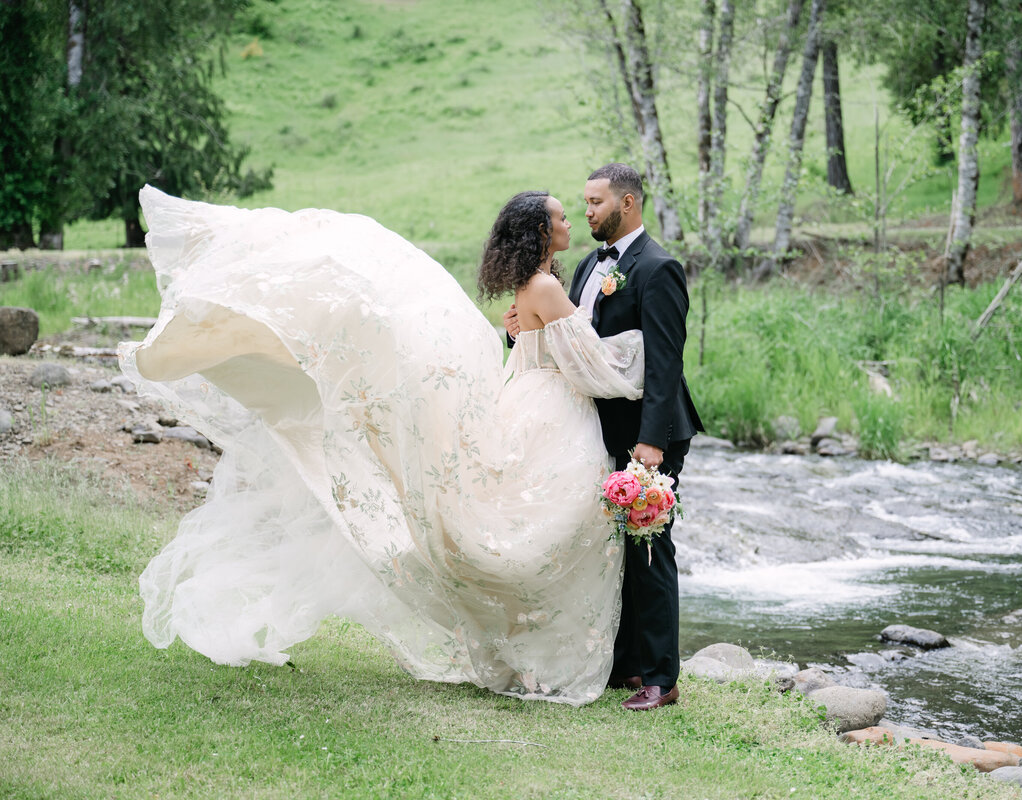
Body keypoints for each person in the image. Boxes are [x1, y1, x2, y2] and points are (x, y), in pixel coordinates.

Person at [121, 185, 647, 706]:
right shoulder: (547, 288)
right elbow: (590, 365)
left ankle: (530, 653)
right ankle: (554, 656)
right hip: (551, 412)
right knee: (561, 524)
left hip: (530, 401)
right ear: (540, 231)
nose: (570, 223)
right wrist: (642, 354)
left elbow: (537, 345)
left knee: (552, 525)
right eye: (561, 217)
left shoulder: (533, 285)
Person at [504, 164, 703, 711]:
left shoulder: (659, 268)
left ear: (628, 204)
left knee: (649, 548)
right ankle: (626, 663)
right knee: (611, 549)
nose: (586, 212)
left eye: (595, 203)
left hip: (646, 433)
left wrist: (653, 441)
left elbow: (664, 362)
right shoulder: (590, 265)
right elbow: (571, 345)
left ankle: (661, 679)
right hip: (593, 430)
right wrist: (518, 331)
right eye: (583, 203)